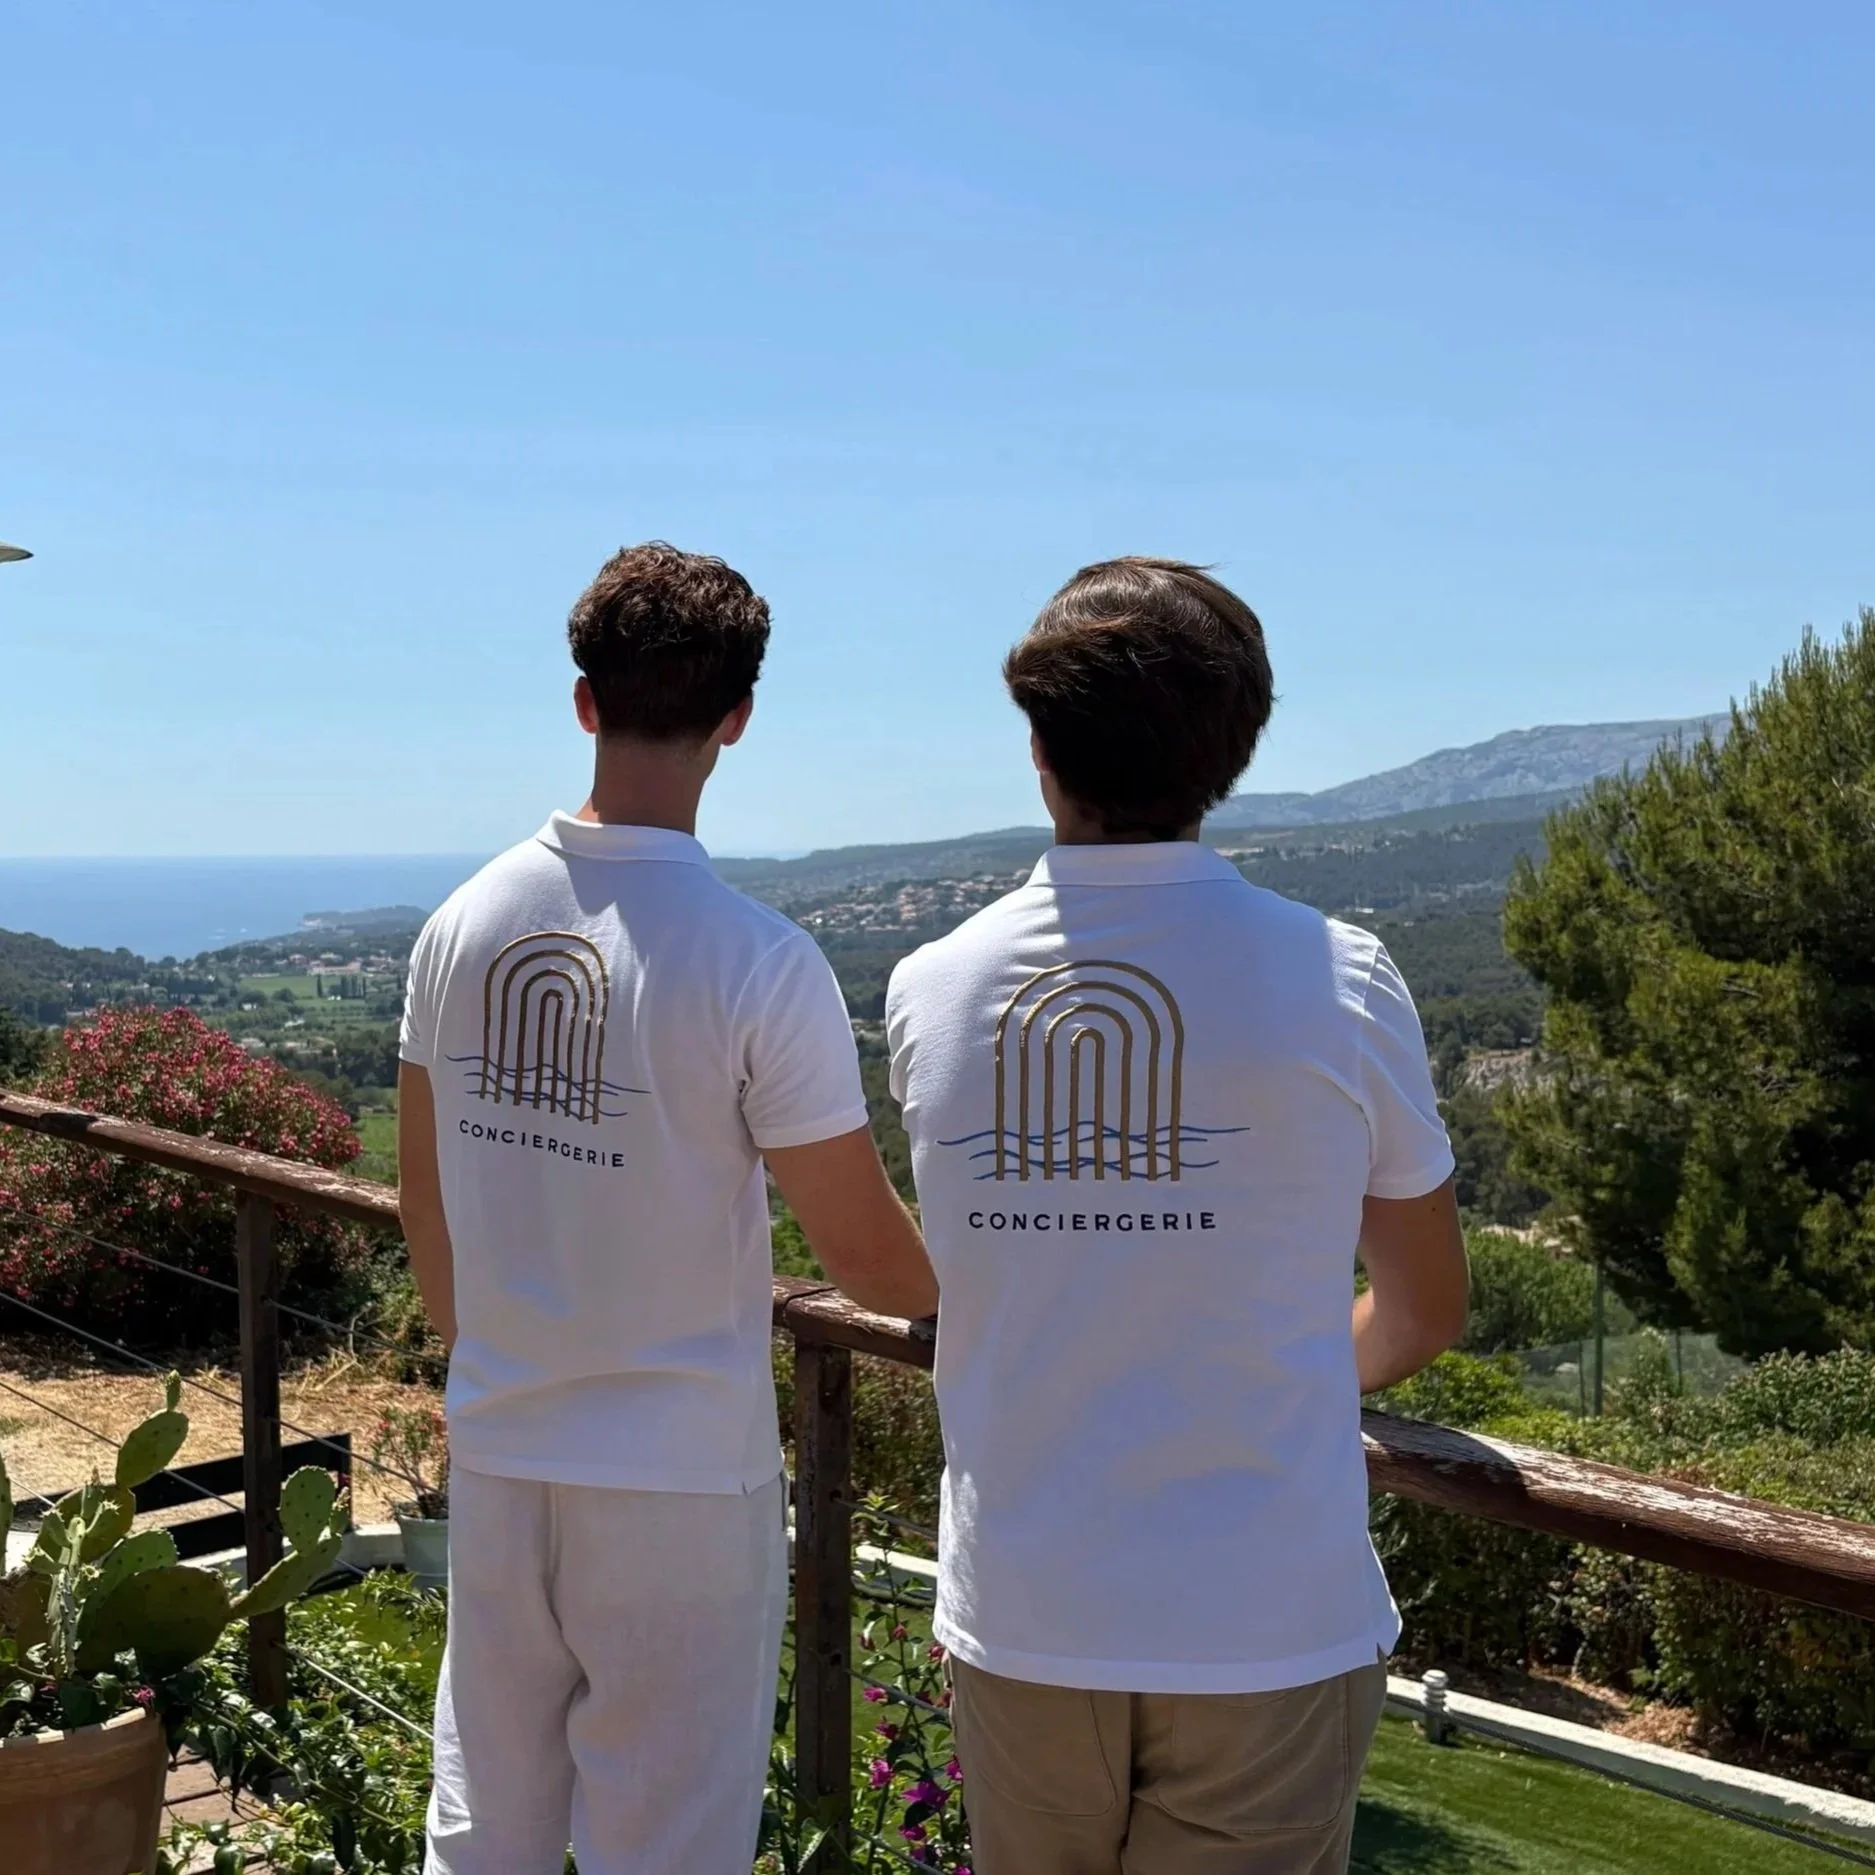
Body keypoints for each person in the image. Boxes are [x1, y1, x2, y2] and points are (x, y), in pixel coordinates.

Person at [885, 557, 1470, 1875]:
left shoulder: (930, 988)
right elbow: (1428, 1304)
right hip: (1263, 1619)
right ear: (1233, 749)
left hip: (1024, 1612)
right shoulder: (1344, 979)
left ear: (1038, 744)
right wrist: (1320, 1368)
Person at [398, 542, 937, 1875]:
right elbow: (871, 1261)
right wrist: (997, 1290)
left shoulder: (458, 926)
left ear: (583, 700)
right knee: (669, 1846)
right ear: (738, 718)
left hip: (506, 1444)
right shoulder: (760, 962)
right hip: (682, 1478)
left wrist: (495, 1362)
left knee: (484, 1836)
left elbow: (429, 1206)